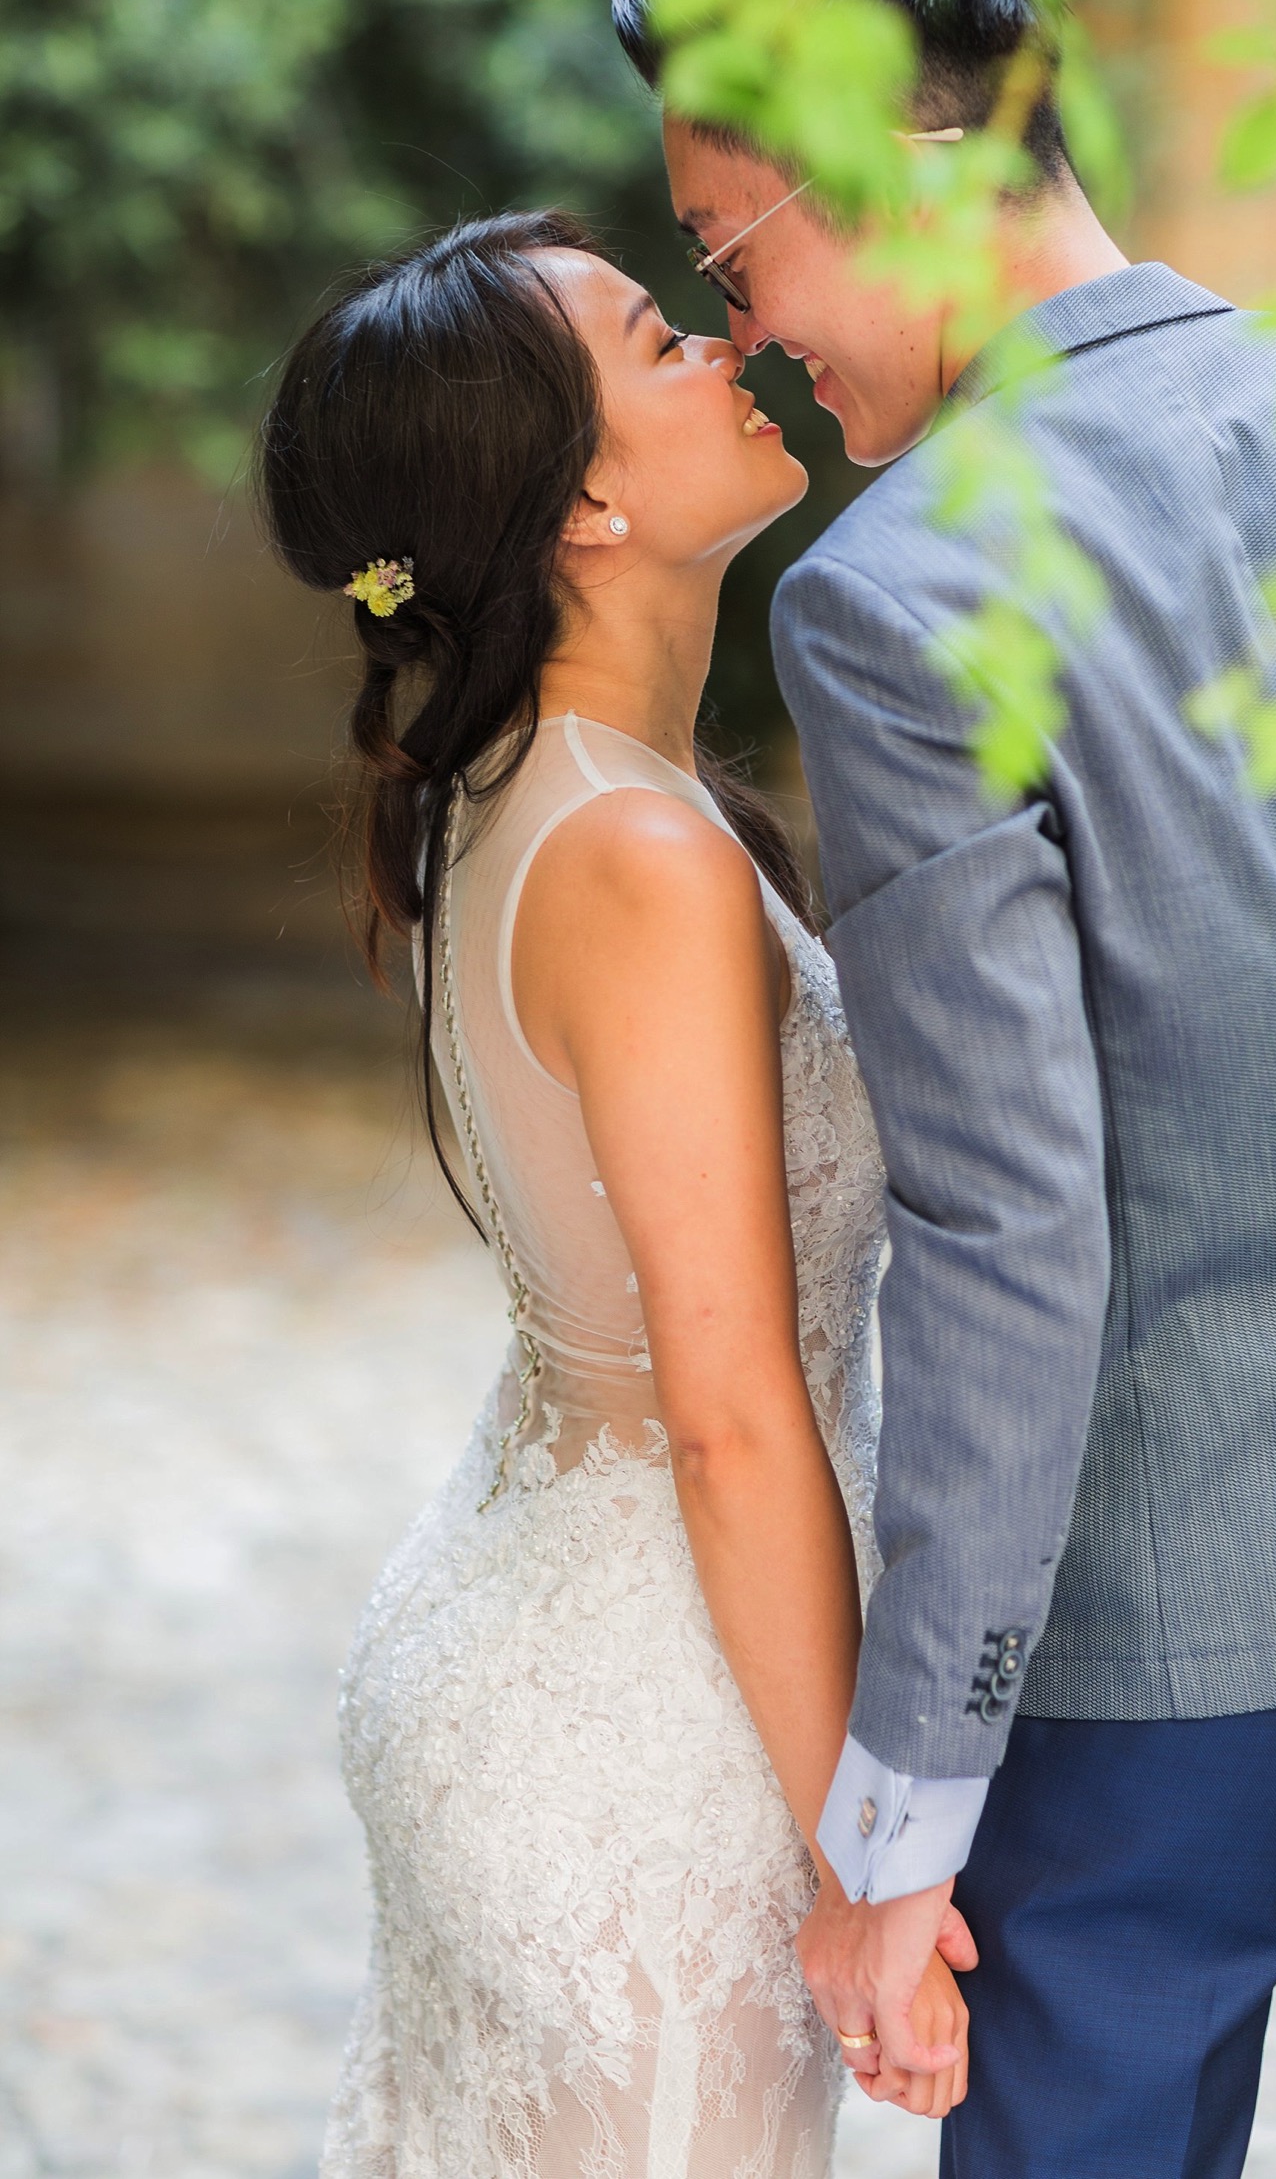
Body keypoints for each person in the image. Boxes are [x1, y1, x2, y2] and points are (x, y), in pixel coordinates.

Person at [615, 0, 1276, 2173]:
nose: (752, 341)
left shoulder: (904, 593)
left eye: (734, 263)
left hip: (1158, 1668)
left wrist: (895, 1817)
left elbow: (1009, 1228)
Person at [257, 211, 971, 2177]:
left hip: (529, 1637)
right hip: (642, 1736)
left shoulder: (525, 789)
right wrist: (869, 1856)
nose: (729, 345)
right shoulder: (636, 856)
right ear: (579, 500)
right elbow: (730, 1414)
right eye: (665, 341)